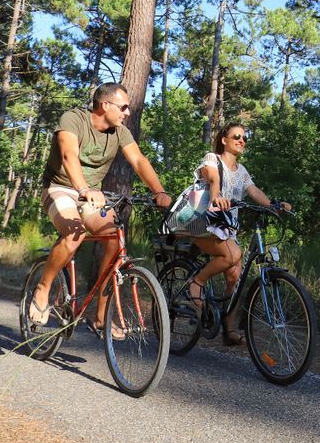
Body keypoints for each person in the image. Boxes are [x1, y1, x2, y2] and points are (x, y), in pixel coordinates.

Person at [29, 82, 173, 336]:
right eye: (124, 107)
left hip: (92, 197)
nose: (128, 112)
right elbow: (68, 156)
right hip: (60, 188)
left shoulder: (119, 132)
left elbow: (139, 160)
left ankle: (100, 317)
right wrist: (84, 189)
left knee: (115, 242)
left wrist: (158, 191)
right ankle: (43, 288)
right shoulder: (73, 119)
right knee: (75, 234)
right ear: (105, 105)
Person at [188, 121, 291, 345]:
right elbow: (212, 177)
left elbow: (253, 191)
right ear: (224, 140)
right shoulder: (212, 159)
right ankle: (197, 281)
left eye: (245, 137)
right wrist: (216, 195)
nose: (241, 140)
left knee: (235, 277)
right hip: (204, 224)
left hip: (227, 229)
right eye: (236, 136)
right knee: (233, 255)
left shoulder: (242, 171)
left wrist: (273, 205)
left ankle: (228, 327)